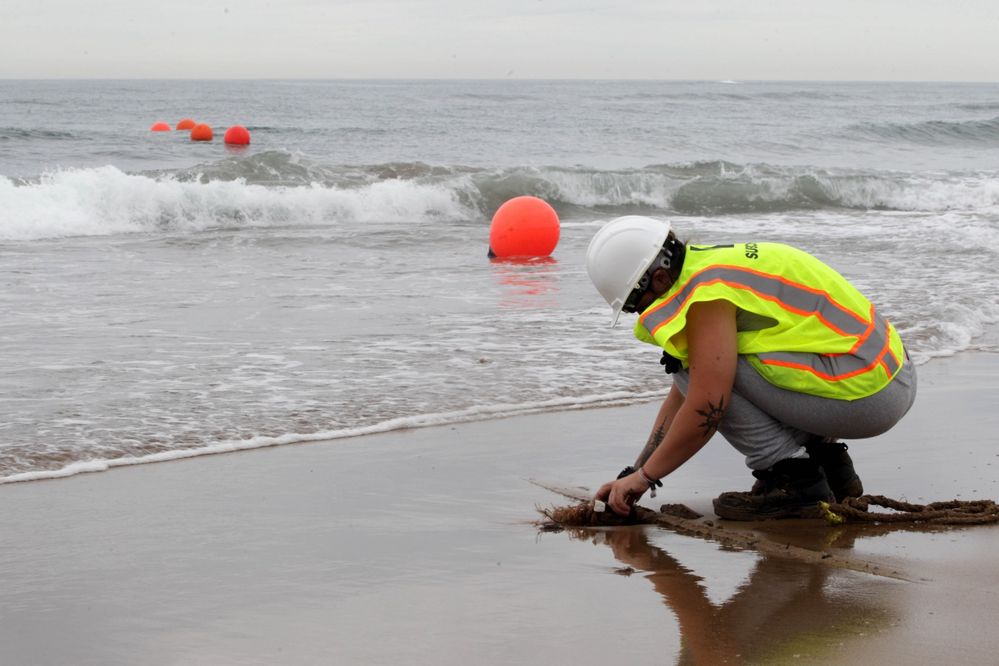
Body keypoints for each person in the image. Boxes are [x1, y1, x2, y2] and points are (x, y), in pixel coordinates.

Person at [585, 216, 917, 520]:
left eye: (635, 306)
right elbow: (682, 393)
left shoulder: (706, 297)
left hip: (869, 396)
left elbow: (704, 405)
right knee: (702, 368)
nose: (642, 316)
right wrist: (634, 470)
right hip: (885, 374)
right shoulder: (708, 267)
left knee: (704, 375)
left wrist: (643, 479)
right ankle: (829, 466)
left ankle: (794, 480)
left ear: (658, 278)